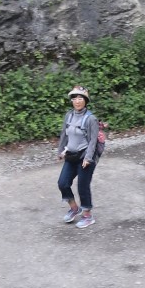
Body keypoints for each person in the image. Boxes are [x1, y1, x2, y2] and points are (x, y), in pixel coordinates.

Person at [56, 85, 98, 228]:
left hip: (85, 157)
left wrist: (88, 158)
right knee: (62, 183)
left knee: (82, 186)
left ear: (85, 100)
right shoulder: (69, 115)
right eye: (75, 98)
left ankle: (87, 216)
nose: (77, 101)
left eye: (80, 98)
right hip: (71, 156)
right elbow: (64, 134)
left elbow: (93, 140)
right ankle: (74, 208)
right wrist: (60, 150)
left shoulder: (91, 119)